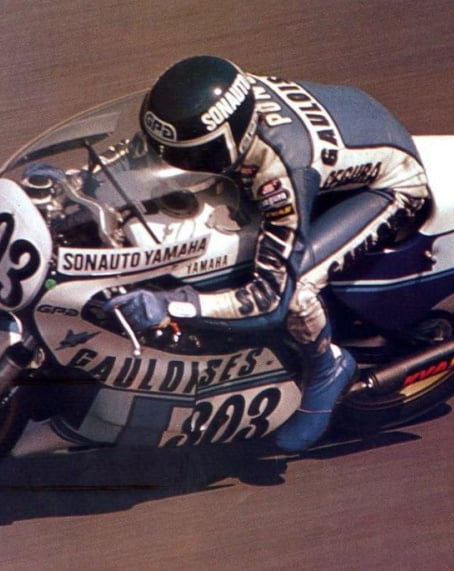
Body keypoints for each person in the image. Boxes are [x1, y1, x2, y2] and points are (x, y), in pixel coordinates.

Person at [104, 55, 430, 452]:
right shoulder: (217, 109)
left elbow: (270, 298)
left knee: (297, 289)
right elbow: (143, 152)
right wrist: (79, 181)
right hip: (344, 125)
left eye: (191, 157)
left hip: (391, 182)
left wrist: (176, 304)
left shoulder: (279, 171)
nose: (175, 164)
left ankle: (327, 368)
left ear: (233, 140)